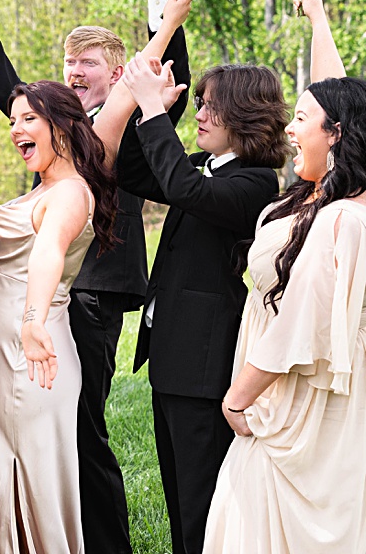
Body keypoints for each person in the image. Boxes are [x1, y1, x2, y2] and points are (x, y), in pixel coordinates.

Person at [0, 0, 188, 554]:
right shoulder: (49, 120)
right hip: (28, 308)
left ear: (116, 72)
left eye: (87, 64)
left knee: (80, 435)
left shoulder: (130, 122)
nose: (74, 71)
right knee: (39, 436)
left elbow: (164, 64)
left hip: (93, 295)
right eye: (69, 63)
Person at [204, 0, 366, 553]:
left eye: (301, 120)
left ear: (338, 136)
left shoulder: (339, 219)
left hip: (294, 401)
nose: (289, 128)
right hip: (315, 397)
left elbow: (297, 326)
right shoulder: (330, 198)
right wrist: (319, 16)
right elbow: (337, 94)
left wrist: (237, 397)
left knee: (255, 521)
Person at [118, 54, 289, 553]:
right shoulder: (202, 167)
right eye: (199, 105)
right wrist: (157, 112)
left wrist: (152, 109)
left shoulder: (257, 182)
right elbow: (132, 170)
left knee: (202, 500)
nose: (201, 116)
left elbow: (183, 189)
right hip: (173, 359)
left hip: (205, 365)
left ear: (245, 117)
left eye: (212, 108)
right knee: (177, 493)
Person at [0, 80, 121, 553]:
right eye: (13, 121)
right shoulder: (52, 183)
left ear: (63, 125)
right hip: (3, 357)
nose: (16, 130)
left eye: (28, 119)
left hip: (30, 355)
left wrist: (32, 322)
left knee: (30, 477)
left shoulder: (71, 193)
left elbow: (48, 253)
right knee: (4, 468)